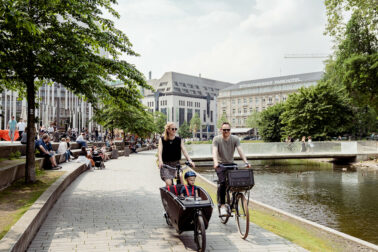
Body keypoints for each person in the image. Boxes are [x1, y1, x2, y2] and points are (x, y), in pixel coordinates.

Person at [212, 122, 250, 216]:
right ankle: (223, 206)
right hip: (220, 165)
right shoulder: (216, 139)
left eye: (228, 130)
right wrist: (216, 162)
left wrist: (246, 161)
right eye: (224, 130)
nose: (226, 131)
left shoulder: (235, 139)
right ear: (221, 130)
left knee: (237, 182)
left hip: (231, 164)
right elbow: (214, 151)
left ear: (230, 130)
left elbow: (240, 150)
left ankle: (234, 199)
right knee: (223, 183)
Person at [158, 122, 195, 187]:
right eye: (172, 129)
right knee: (169, 183)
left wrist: (189, 160)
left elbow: (184, 150)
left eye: (175, 129)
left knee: (180, 177)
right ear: (168, 130)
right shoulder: (162, 139)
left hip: (176, 164)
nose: (174, 130)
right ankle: (168, 195)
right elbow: (160, 151)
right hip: (165, 165)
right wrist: (160, 161)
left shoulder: (179, 139)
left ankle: (182, 194)